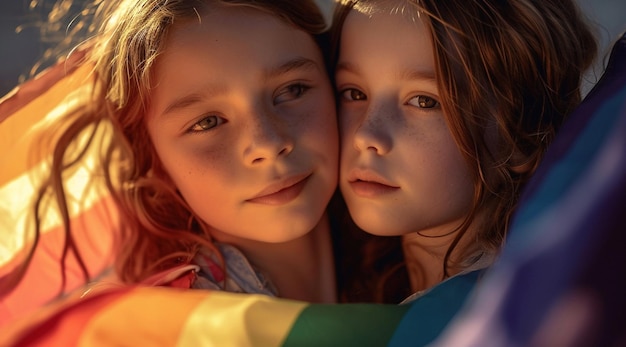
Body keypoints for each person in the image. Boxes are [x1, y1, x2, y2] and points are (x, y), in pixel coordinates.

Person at [1, 0, 339, 306]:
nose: (267, 143)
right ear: (154, 160)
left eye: (293, 90)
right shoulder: (164, 327)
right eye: (208, 122)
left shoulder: (388, 267)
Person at [331, 0, 598, 303]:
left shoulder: (519, 314)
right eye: (354, 93)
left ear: (520, 134)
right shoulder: (343, 275)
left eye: (424, 101)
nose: (366, 134)